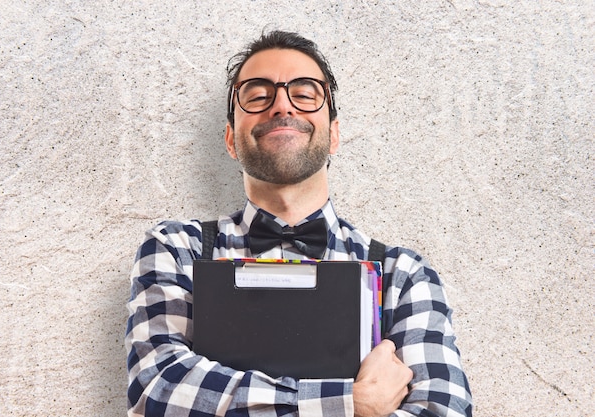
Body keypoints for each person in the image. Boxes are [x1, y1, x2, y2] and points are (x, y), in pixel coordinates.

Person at [125, 30, 472, 417]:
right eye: (257, 95)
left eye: (305, 94)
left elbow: (443, 411)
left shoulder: (402, 274)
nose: (282, 106)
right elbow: (158, 388)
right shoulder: (177, 248)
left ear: (334, 135)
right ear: (229, 140)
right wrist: (351, 404)